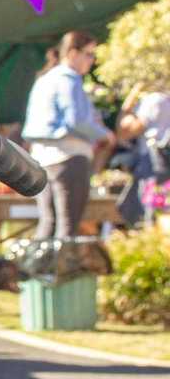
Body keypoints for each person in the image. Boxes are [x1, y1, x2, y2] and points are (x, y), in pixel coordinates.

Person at [22, 30, 115, 239]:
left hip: (42, 160)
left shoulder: (44, 79)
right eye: (89, 54)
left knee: (48, 223)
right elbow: (77, 121)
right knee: (67, 227)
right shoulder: (69, 78)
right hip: (68, 158)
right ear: (72, 53)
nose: (92, 61)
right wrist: (105, 135)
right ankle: (61, 271)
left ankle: (37, 271)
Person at [114, 82, 170, 222]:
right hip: (161, 160)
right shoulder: (165, 100)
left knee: (152, 207)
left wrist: (127, 106)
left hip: (153, 160)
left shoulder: (154, 99)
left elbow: (125, 132)